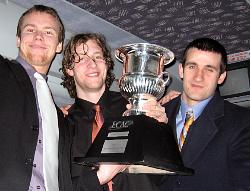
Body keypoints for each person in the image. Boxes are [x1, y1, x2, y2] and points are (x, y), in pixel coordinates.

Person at [60, 33, 167, 190]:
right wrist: (100, 177)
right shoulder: (62, 124)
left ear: (107, 64)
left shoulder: (135, 107)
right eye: (82, 58)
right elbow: (60, 186)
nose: (93, 63)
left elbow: (162, 172)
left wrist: (160, 130)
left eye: (98, 57)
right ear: (69, 69)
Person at [159, 38, 250, 191]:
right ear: (181, 70)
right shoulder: (158, 115)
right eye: (192, 66)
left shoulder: (242, 121)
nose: (198, 76)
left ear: (221, 77)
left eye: (209, 69)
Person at [0, 5, 72, 191]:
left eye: (48, 32)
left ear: (59, 45)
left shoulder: (58, 116)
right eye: (30, 30)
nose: (38, 36)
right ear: (18, 39)